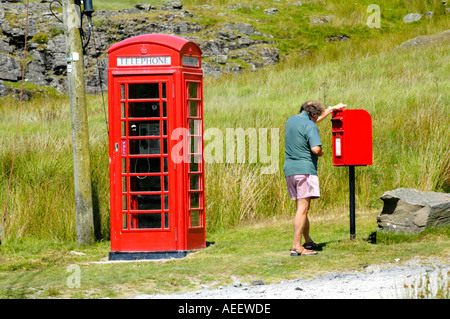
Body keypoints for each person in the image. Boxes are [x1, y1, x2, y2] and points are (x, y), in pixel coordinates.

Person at [284, 101, 346, 256]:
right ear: (313, 114)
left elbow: (312, 120)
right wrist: (321, 153)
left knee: (301, 208)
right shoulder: (310, 126)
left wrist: (331, 109)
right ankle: (297, 246)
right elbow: (315, 148)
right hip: (304, 170)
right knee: (303, 209)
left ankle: (308, 241)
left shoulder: (292, 120)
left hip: (290, 171)